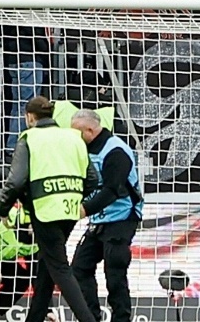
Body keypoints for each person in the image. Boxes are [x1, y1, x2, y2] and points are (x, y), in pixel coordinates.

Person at [0, 95, 99, 322]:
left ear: (30, 117)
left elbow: (16, 181)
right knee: (46, 268)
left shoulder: (29, 138)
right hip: (69, 210)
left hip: (44, 211)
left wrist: (3, 209)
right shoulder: (73, 138)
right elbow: (93, 179)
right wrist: (73, 196)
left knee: (59, 268)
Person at [71, 108, 139, 322]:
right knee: (79, 269)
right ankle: (91, 317)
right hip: (99, 220)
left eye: (77, 132)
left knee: (115, 273)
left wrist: (84, 209)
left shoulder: (116, 151)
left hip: (121, 218)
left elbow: (112, 190)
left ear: (90, 130)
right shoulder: (86, 148)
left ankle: (122, 319)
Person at [2, 0, 52, 136]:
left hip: (19, 57)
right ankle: (17, 147)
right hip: (27, 57)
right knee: (27, 106)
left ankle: (15, 147)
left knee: (21, 105)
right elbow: (32, 29)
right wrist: (44, 49)